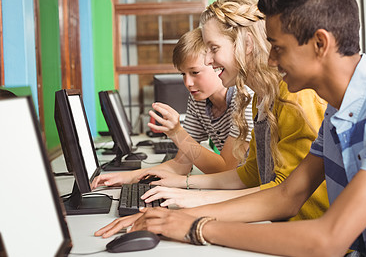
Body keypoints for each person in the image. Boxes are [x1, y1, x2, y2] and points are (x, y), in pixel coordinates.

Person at [95, 0, 366, 256]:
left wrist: (195, 226)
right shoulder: (340, 112)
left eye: (278, 47)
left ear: (319, 43)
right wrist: (171, 215)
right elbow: (286, 196)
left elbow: (329, 239)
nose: (269, 58)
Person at [124, 0, 328, 213]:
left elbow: (286, 192)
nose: (209, 61)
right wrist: (183, 184)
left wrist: (197, 200)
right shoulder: (261, 97)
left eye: (214, 48)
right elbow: (251, 175)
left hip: (302, 227)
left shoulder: (294, 95)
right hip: (275, 219)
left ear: (247, 44)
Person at [92, 28, 254, 189]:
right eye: (183, 74)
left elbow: (226, 169)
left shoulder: (245, 98)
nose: (188, 83)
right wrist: (129, 176)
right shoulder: (199, 100)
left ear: (216, 64)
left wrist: (177, 133)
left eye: (195, 72)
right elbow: (181, 164)